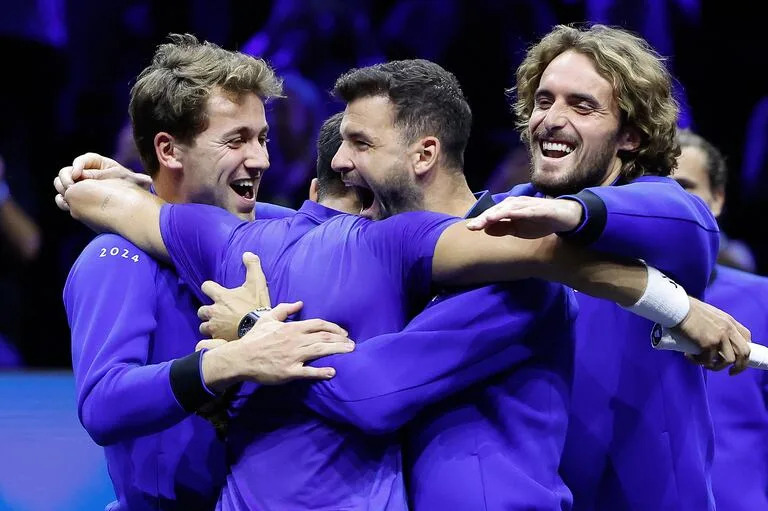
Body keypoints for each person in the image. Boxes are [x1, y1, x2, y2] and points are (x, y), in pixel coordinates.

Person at [57, 57, 750, 511]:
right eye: (542, 98)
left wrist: (250, 332)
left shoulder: (471, 256)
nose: (339, 158)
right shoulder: (285, 237)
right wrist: (125, 180)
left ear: (423, 153)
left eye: (359, 142)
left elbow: (369, 394)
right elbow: (153, 216)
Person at [61, 33, 354, 511]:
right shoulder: (115, 259)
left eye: (262, 138)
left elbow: (365, 242)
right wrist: (232, 362)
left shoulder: (273, 230)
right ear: (169, 150)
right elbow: (103, 404)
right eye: (236, 140)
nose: (260, 159)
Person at [465, 24, 725, 510]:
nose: (551, 119)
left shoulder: (668, 213)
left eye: (582, 106)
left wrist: (572, 213)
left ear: (629, 136)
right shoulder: (496, 216)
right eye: (544, 101)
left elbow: (677, 217)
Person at [673, 128, 768, 510]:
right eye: (653, 187)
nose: (667, 202)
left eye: (684, 187)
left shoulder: (762, 299)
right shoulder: (596, 296)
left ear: (717, 199)